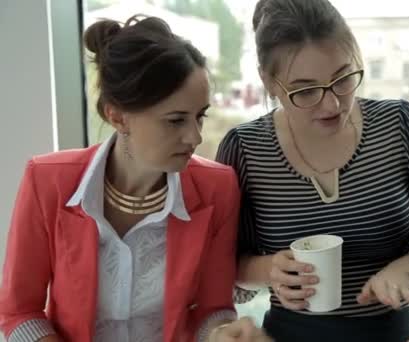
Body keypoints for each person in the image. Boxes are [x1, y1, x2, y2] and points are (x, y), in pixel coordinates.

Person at [0, 15, 270, 342]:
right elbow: (18, 312)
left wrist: (223, 335)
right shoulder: (47, 181)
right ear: (117, 116)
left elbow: (213, 310)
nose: (195, 137)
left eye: (200, 117)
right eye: (175, 120)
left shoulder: (218, 188)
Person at [215, 0, 409, 341]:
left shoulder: (399, 125)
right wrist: (268, 270)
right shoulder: (244, 149)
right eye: (305, 90)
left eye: (343, 79)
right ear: (269, 81)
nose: (332, 104)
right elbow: (222, 266)